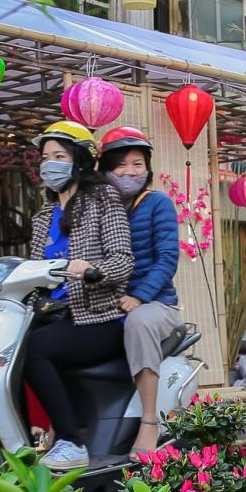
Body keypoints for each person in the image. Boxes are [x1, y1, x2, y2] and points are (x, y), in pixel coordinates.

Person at [24, 120, 134, 471]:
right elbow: (33, 270)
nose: (49, 164)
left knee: (34, 350)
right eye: (45, 157)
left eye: (59, 155)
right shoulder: (43, 215)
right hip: (53, 314)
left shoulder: (103, 199)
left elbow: (122, 260)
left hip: (99, 318)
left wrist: (92, 271)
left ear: (80, 161)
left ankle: (71, 441)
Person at [97, 127, 180, 457]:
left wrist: (140, 297)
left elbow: (167, 257)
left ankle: (149, 421)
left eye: (136, 164)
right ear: (105, 169)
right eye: (120, 165)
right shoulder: (101, 207)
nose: (129, 172)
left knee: (140, 323)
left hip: (157, 303)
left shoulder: (157, 203)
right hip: (110, 303)